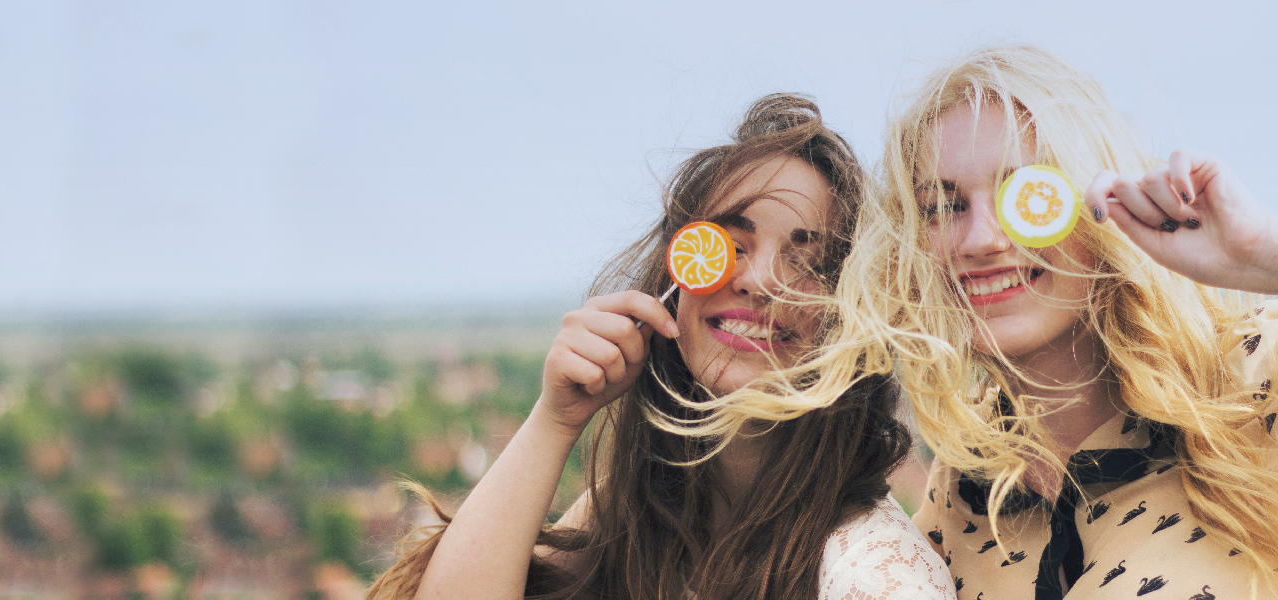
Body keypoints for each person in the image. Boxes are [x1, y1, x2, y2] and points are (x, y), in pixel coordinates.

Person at [820, 45, 1278, 599]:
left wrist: (1269, 251)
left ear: (1099, 204)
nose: (982, 240)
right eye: (943, 207)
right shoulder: (965, 489)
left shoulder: (1270, 379)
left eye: (1027, 194)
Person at [366, 94, 954, 600]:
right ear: (676, 276)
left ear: (850, 315)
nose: (758, 281)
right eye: (729, 244)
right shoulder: (652, 511)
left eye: (808, 260)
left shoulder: (874, 573)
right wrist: (555, 420)